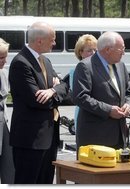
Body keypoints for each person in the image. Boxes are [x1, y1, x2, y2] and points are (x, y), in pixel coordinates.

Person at [8, 22, 68, 184]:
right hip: (30, 139)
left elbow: (64, 86)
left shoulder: (46, 61)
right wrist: (55, 90)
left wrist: (53, 91)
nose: (55, 43)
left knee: (46, 181)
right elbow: (37, 101)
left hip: (49, 137)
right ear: (39, 41)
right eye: (52, 39)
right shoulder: (21, 63)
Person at [72, 31, 130, 153]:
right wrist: (108, 110)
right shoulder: (85, 66)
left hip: (119, 136)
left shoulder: (121, 66)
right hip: (96, 138)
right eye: (121, 49)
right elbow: (81, 97)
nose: (124, 53)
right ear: (107, 50)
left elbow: (129, 93)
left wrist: (129, 105)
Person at [0, 38, 15, 184]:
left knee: (9, 166)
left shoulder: (4, 73)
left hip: (4, 124)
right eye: (0, 58)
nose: (4, 61)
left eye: (5, 57)